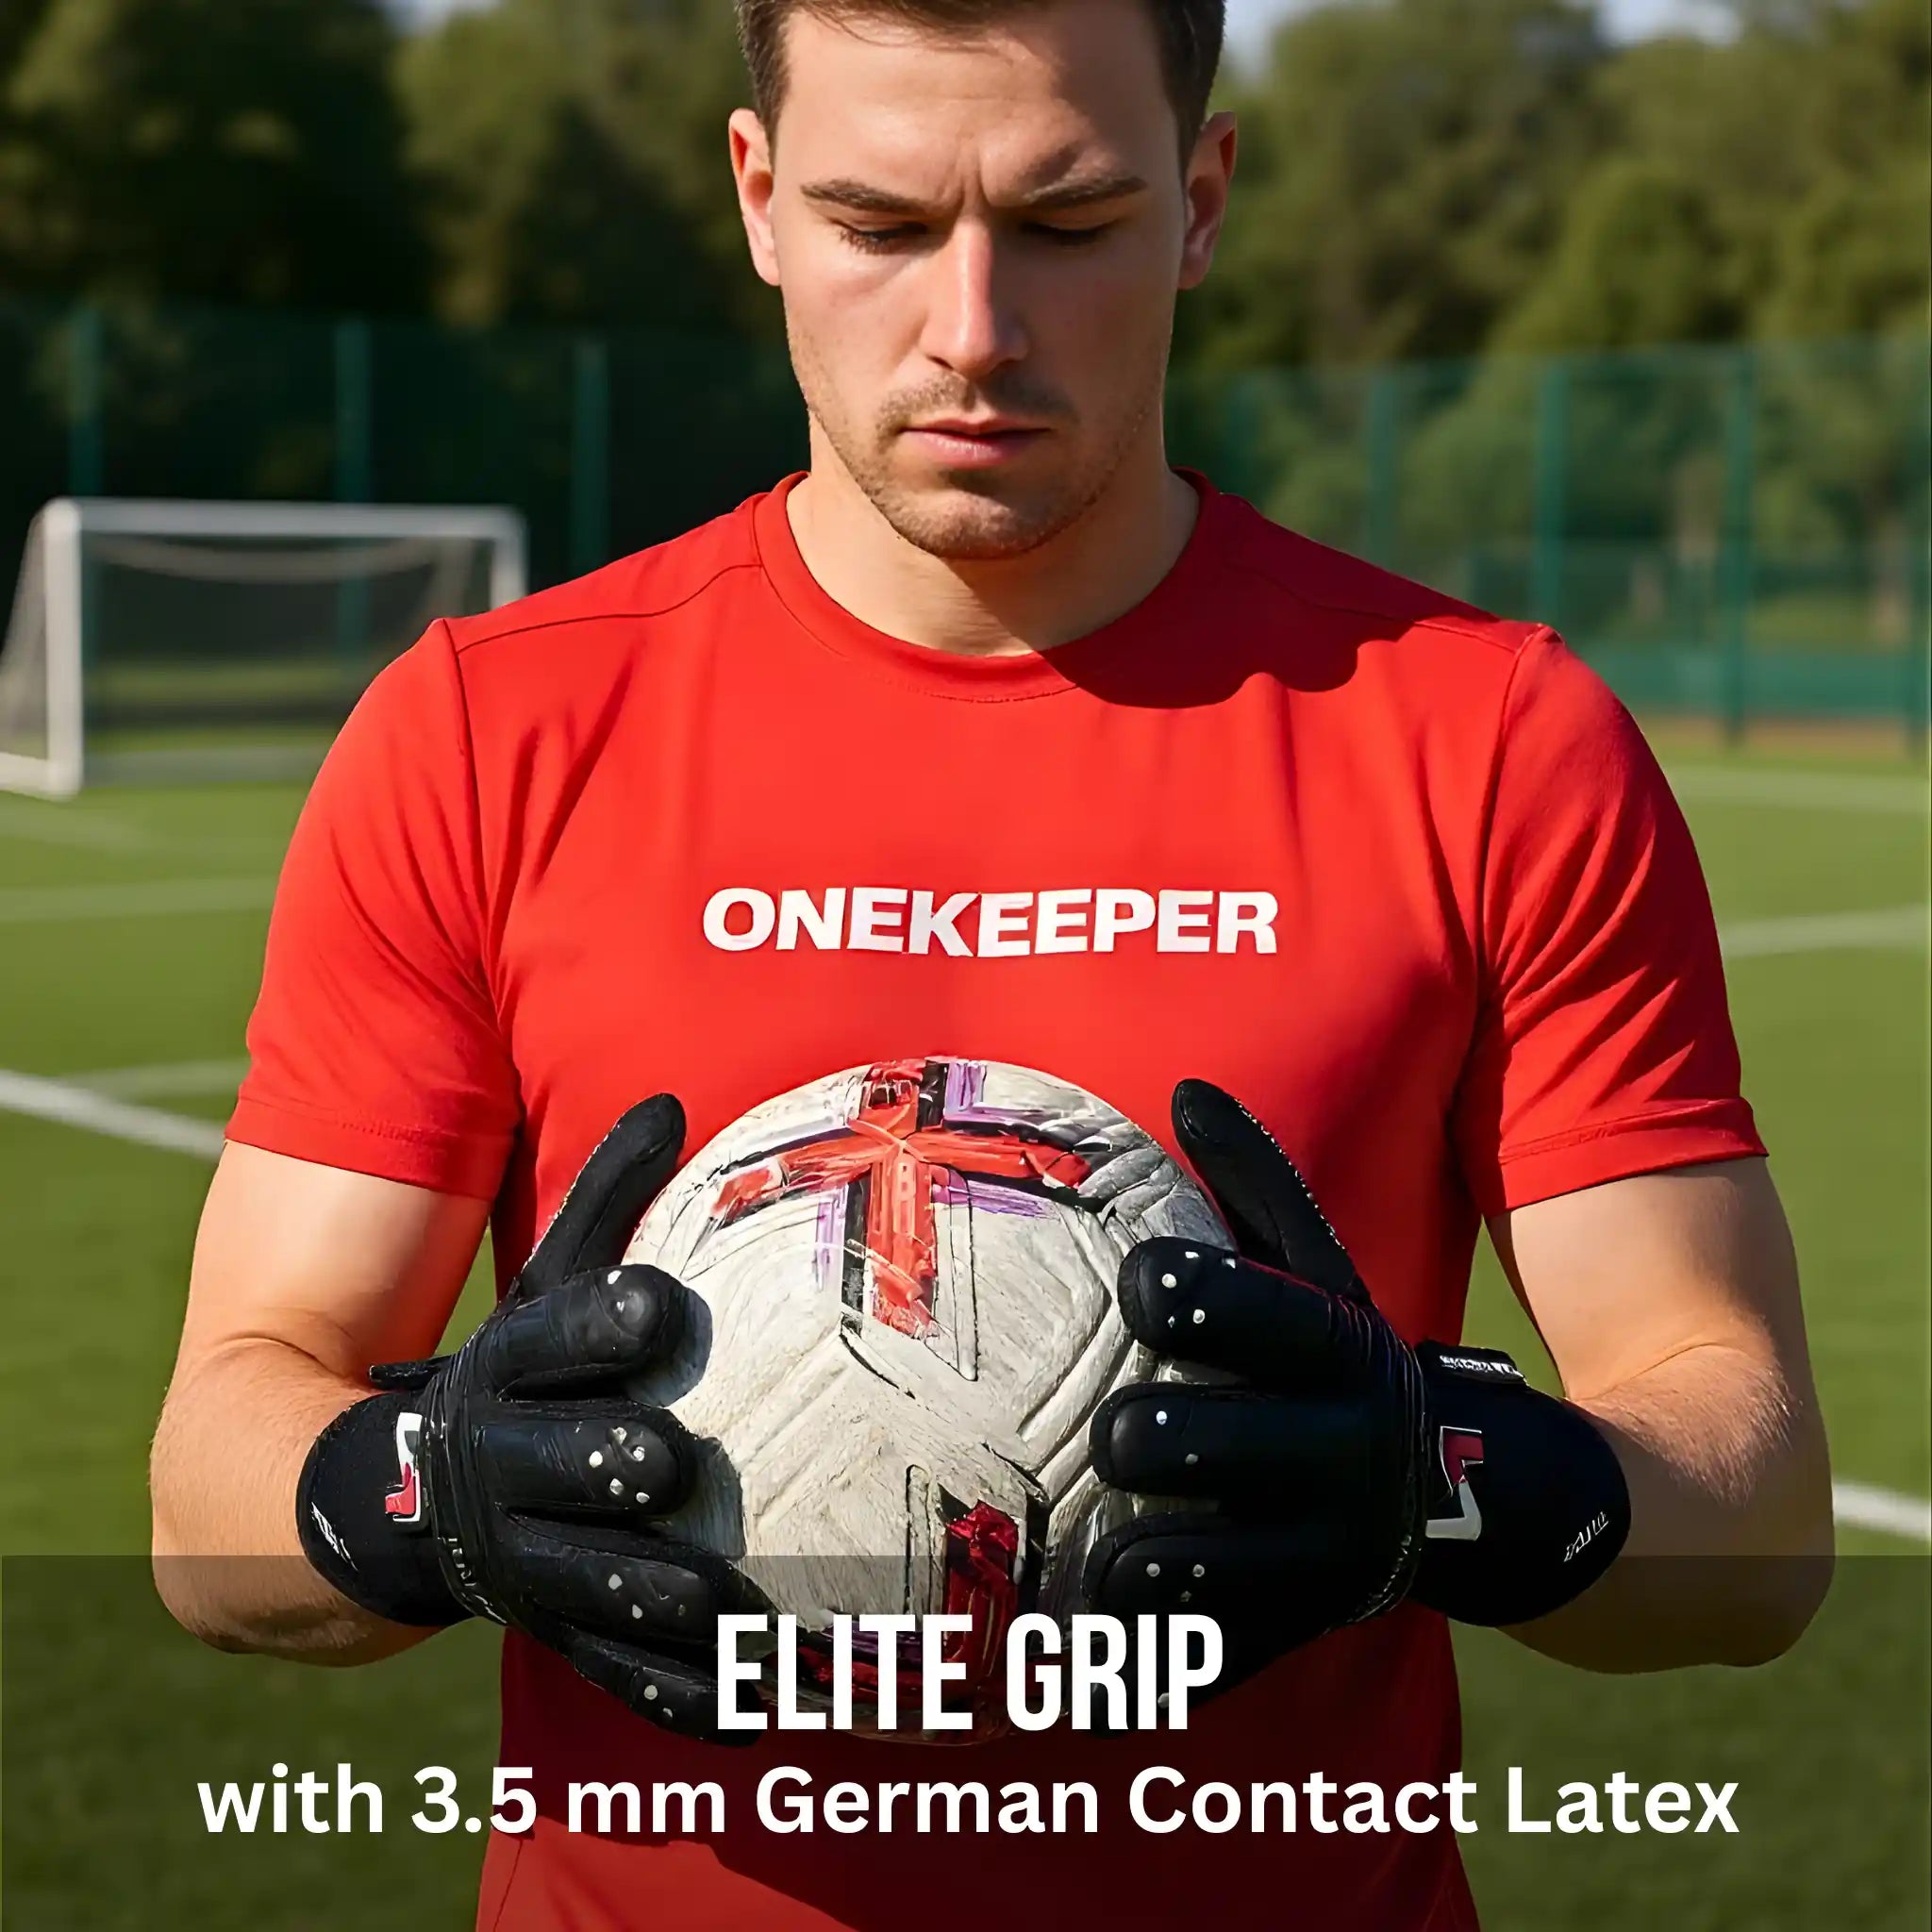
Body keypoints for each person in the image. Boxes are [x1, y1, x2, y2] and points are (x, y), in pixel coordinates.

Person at [151, 2, 1833, 1926]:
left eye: (1066, 220)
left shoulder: (1486, 741)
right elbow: (208, 1502)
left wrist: (1438, 1475)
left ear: (1200, 202)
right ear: (761, 197)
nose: (972, 327)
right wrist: (428, 1488)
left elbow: (1756, 1521)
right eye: (879, 225)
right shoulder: (487, 733)